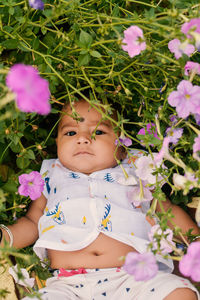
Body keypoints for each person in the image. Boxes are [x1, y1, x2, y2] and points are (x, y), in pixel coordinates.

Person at [0, 99, 200, 300]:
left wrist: (195, 240)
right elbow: (33, 222)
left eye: (98, 132)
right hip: (68, 285)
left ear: (121, 145)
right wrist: (5, 237)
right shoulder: (51, 176)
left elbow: (166, 210)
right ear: (58, 144)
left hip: (138, 277)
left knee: (180, 293)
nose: (83, 139)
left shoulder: (137, 169)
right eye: (71, 133)